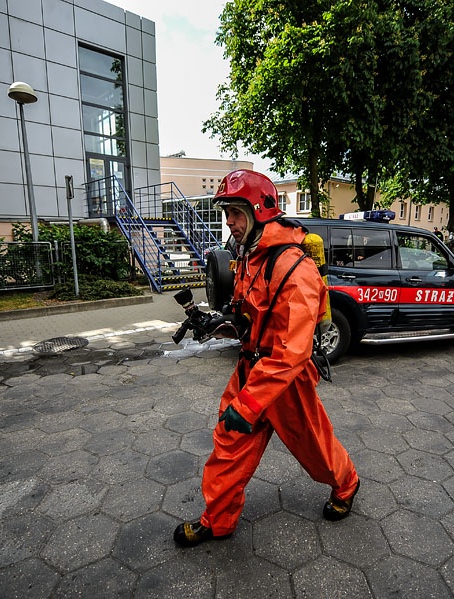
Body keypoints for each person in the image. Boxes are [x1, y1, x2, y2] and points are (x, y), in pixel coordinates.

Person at [173, 169, 360, 547]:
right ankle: (218, 521)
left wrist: (250, 404)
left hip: (284, 383)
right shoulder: (249, 257)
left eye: (236, 212)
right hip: (251, 370)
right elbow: (250, 321)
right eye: (227, 212)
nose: (229, 221)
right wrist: (218, 326)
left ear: (260, 210)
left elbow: (293, 351)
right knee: (229, 443)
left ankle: (346, 485)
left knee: (315, 447)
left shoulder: (295, 269)